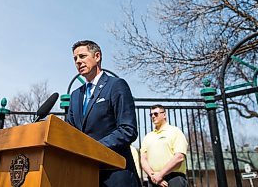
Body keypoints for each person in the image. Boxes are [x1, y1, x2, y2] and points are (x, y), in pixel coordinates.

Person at [67, 40, 141, 187]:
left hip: (115, 174)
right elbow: (69, 132)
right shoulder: (75, 95)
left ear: (97, 56)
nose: (78, 61)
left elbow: (128, 130)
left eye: (82, 56)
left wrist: (93, 148)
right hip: (85, 175)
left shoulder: (116, 85)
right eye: (75, 59)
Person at [140, 104, 189, 187]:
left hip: (174, 179)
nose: (153, 116)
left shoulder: (175, 132)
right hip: (154, 180)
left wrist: (160, 174)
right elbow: (143, 159)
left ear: (164, 115)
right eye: (151, 114)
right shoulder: (147, 137)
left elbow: (179, 157)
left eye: (156, 114)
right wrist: (153, 176)